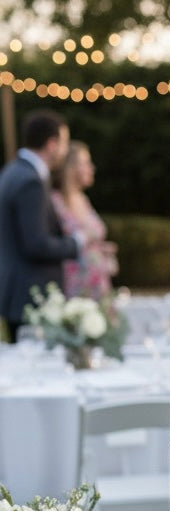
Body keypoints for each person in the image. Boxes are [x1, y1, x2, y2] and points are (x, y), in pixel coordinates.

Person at [0, 110, 80, 341]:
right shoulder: (30, 181)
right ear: (51, 144)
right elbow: (36, 244)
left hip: (16, 292)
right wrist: (75, 243)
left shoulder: (12, 171)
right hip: (30, 294)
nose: (64, 151)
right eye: (64, 143)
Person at [51, 141, 117, 299]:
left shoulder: (84, 200)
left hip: (99, 283)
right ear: (70, 167)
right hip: (73, 284)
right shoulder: (56, 202)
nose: (91, 168)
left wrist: (101, 249)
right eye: (86, 163)